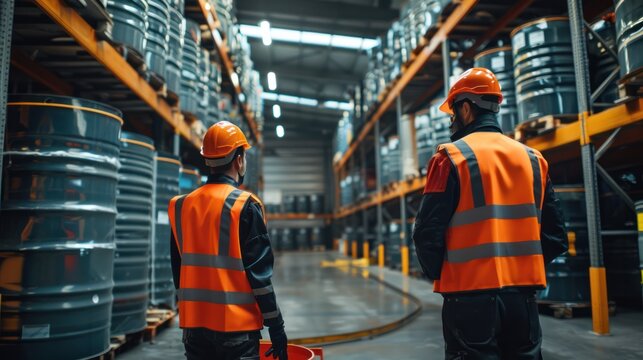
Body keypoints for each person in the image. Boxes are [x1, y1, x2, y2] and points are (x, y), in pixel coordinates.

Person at [412, 68, 568, 360]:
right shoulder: (534, 160)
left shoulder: (449, 158)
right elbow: (556, 236)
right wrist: (520, 269)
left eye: (453, 112)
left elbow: (426, 233)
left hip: (469, 298)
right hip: (523, 300)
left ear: (467, 108)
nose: (451, 120)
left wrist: (445, 274)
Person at [169, 121, 288, 360]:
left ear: (207, 160)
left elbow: (178, 271)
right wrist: (276, 327)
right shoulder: (244, 206)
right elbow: (260, 278)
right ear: (239, 159)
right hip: (237, 330)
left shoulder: (180, 206)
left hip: (194, 328)